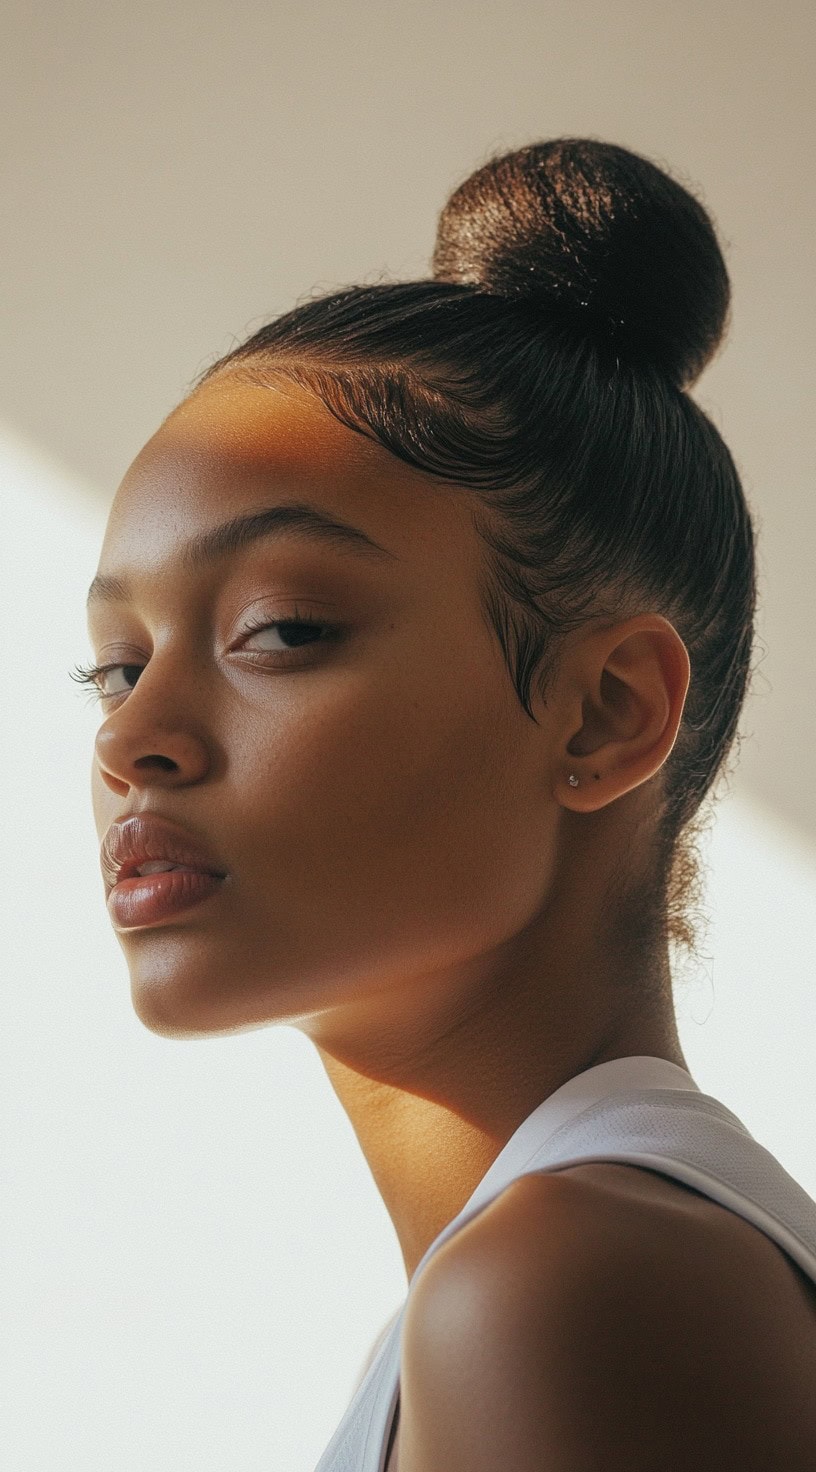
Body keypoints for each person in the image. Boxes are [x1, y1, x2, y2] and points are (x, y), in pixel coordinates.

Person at [75, 138, 816, 1469]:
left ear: (606, 713)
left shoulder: (567, 1291)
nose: (136, 735)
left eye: (282, 629)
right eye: (116, 665)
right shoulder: (548, 1272)